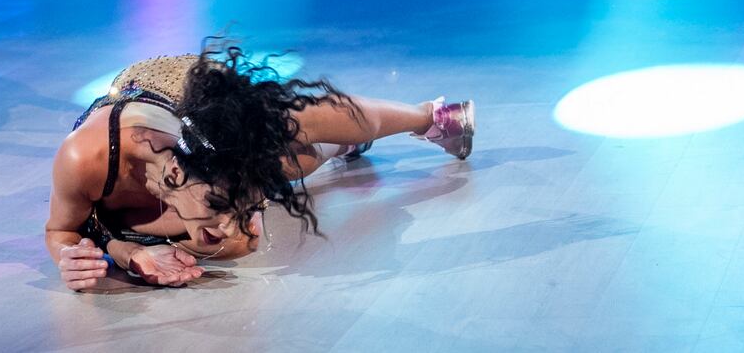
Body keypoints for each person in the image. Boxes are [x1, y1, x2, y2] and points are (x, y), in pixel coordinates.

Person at [47, 43, 474, 291]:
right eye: (235, 211)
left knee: (302, 124)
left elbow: (235, 242)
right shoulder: (85, 158)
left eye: (243, 210)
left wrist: (124, 247)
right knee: (289, 168)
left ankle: (429, 116)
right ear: (174, 179)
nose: (245, 231)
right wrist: (84, 255)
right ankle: (342, 145)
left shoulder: (206, 187)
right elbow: (63, 231)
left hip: (203, 101)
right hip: (153, 96)